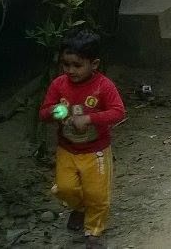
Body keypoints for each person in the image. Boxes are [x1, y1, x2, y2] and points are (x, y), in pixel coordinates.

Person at [39, 30, 125, 249]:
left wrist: (89, 118)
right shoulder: (59, 85)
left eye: (77, 65)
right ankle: (79, 208)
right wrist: (55, 111)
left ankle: (93, 232)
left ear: (94, 64)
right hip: (66, 149)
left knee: (96, 193)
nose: (70, 70)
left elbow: (118, 112)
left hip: (96, 150)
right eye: (66, 65)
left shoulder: (104, 86)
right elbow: (44, 112)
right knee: (64, 188)